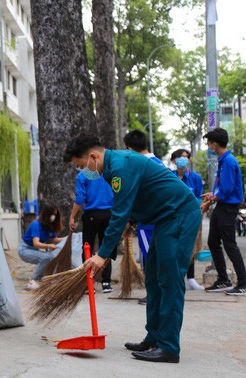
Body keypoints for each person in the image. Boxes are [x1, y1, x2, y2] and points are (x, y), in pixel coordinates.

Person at [64, 133, 201, 363]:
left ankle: (168, 347)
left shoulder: (119, 167)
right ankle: (154, 337)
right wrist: (132, 222)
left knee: (170, 280)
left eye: (80, 166)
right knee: (154, 278)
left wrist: (102, 255)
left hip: (179, 216)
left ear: (93, 156)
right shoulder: (112, 166)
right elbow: (135, 199)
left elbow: (118, 213)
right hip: (165, 219)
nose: (82, 171)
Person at [123, 130, 167, 305]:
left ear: (129, 148)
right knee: (159, 256)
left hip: (149, 220)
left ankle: (154, 295)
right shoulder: (159, 164)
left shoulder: (139, 166)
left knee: (149, 258)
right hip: (163, 219)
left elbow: (133, 196)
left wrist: (129, 220)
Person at [201, 128, 246, 295]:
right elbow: (223, 188)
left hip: (227, 207)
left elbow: (226, 190)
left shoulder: (228, 161)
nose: (208, 145)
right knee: (213, 242)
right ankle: (223, 280)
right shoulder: (224, 160)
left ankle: (243, 283)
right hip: (222, 206)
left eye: (209, 142)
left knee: (230, 245)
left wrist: (212, 199)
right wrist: (212, 195)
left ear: (215, 144)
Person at [69, 168, 116, 294]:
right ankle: (106, 283)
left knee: (87, 248)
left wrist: (72, 216)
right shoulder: (109, 171)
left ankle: (88, 283)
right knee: (106, 246)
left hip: (91, 215)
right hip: (109, 214)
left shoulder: (82, 175)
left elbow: (80, 198)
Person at [171, 148, 204, 290]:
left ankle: (190, 279)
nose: (183, 159)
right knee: (174, 247)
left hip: (191, 217)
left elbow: (198, 197)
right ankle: (176, 277)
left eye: (186, 157)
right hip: (173, 217)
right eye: (180, 157)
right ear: (174, 160)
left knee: (190, 247)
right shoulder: (169, 176)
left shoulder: (195, 178)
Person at [18, 204, 64, 290]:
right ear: (46, 214)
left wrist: (68, 238)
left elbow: (55, 240)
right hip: (24, 250)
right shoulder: (36, 224)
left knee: (52, 257)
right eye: (52, 214)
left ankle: (47, 279)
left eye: (55, 214)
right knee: (45, 257)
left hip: (34, 250)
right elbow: (36, 243)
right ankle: (33, 280)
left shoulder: (49, 226)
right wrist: (48, 245)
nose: (53, 217)